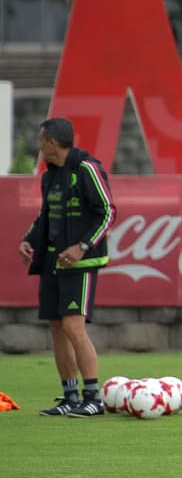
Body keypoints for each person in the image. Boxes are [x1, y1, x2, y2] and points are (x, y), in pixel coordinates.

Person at [18, 117, 116, 418]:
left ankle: (93, 397)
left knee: (74, 326)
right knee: (57, 328)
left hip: (81, 263)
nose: (38, 147)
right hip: (52, 262)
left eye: (40, 141)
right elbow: (46, 214)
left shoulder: (86, 169)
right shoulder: (50, 176)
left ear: (51, 143)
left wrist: (81, 246)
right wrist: (29, 239)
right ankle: (70, 396)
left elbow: (108, 212)